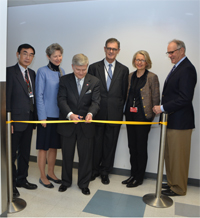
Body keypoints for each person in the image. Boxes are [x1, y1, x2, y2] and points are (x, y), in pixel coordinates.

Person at [153, 39, 197, 196]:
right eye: (168, 52)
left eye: (172, 52)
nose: (170, 55)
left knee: (178, 157)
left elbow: (185, 98)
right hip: (171, 121)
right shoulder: (178, 67)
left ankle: (179, 188)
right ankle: (172, 183)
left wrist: (162, 108)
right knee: (170, 156)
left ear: (182, 51)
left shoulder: (187, 69)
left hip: (180, 123)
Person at [57, 54, 100, 195]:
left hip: (86, 126)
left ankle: (84, 183)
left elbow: (96, 102)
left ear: (87, 66)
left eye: (83, 69)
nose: (81, 72)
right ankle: (65, 182)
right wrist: (70, 115)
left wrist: (90, 114)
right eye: (78, 69)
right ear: (72, 67)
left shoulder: (94, 81)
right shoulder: (64, 80)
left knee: (85, 156)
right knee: (67, 156)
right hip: (68, 125)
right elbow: (61, 100)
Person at [88, 38, 129, 185]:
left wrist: (119, 110)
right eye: (109, 48)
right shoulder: (94, 67)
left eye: (114, 49)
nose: (111, 51)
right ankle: (94, 170)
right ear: (105, 49)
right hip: (97, 113)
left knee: (110, 144)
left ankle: (105, 172)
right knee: (96, 143)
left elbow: (124, 93)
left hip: (114, 114)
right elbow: (90, 92)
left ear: (118, 51)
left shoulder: (124, 70)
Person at [122, 50, 160, 188]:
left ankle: (139, 177)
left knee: (140, 147)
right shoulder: (130, 76)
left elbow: (156, 99)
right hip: (130, 116)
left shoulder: (152, 77)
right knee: (132, 146)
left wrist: (152, 114)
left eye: (142, 60)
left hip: (143, 118)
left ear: (147, 62)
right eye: (137, 59)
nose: (139, 62)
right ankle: (132, 174)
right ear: (134, 61)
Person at [6, 43, 38, 198]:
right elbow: (6, 99)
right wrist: (9, 120)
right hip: (14, 122)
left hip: (29, 121)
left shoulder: (32, 73)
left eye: (31, 54)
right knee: (11, 155)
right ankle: (10, 185)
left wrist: (34, 118)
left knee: (24, 153)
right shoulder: (9, 72)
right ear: (18, 54)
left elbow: (32, 97)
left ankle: (21, 179)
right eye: (25, 53)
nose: (28, 57)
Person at [35, 43, 65, 188]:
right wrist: (42, 117)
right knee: (43, 147)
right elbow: (39, 95)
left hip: (59, 116)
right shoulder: (42, 71)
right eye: (55, 56)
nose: (58, 58)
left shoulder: (62, 71)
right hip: (46, 116)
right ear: (48, 56)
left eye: (60, 55)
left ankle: (51, 173)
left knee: (54, 147)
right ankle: (42, 176)